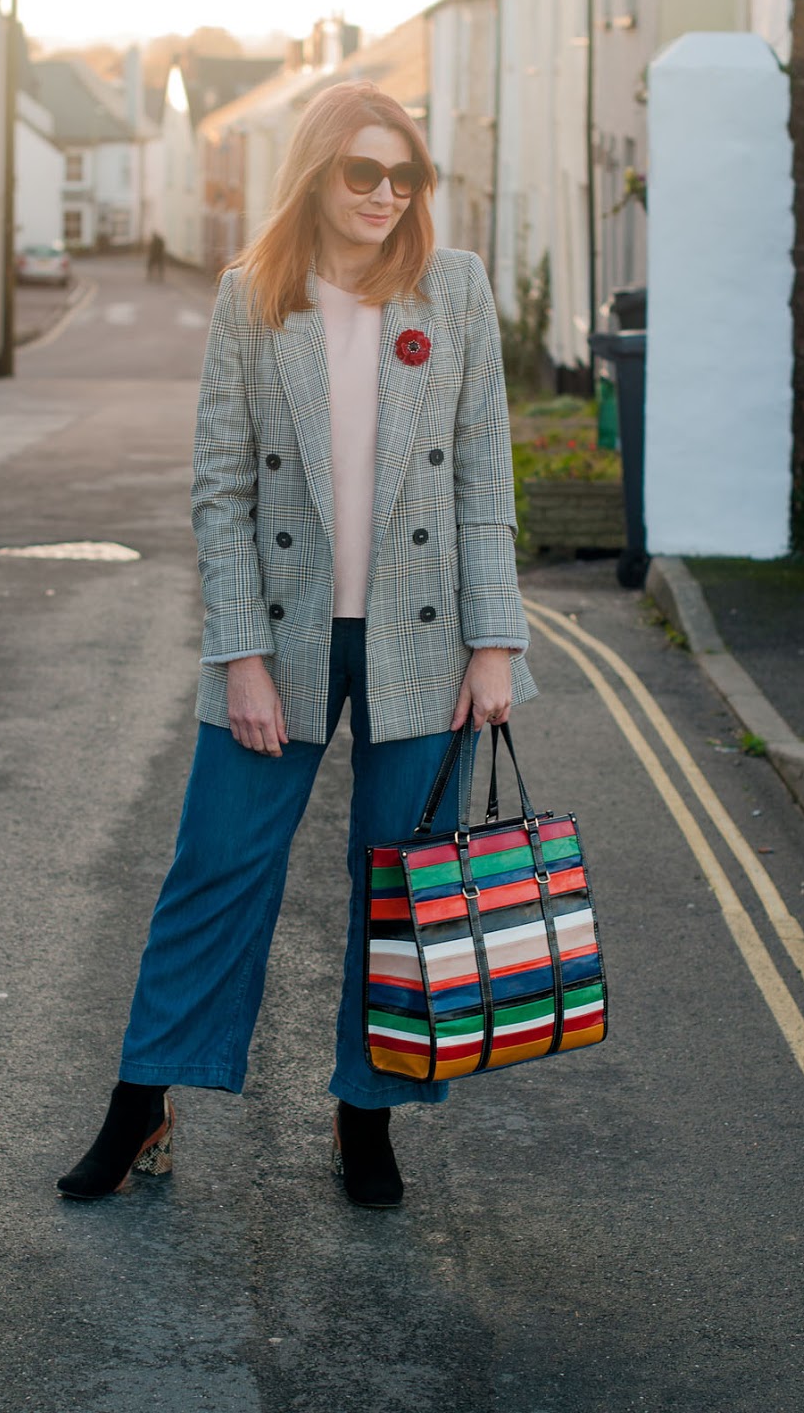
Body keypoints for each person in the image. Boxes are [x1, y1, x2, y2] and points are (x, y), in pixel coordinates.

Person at [57, 81, 536, 1209]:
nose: (385, 194)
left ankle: (366, 1112)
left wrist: (495, 643)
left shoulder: (454, 288)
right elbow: (220, 491)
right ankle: (140, 1100)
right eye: (363, 172)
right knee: (215, 868)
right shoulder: (252, 297)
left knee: (400, 884)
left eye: (405, 175)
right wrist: (241, 656)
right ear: (318, 174)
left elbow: (484, 480)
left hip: (427, 638)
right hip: (281, 639)